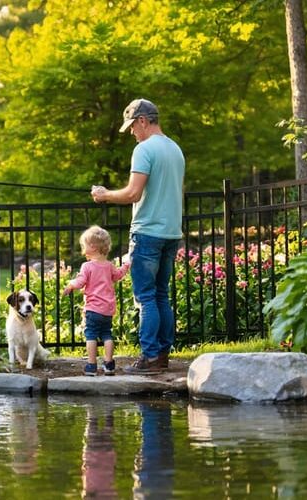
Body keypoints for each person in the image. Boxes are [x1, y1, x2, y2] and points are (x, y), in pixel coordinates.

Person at [91, 98, 184, 374]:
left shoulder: (145, 149)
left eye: (132, 126)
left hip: (147, 232)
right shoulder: (175, 149)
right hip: (171, 233)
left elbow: (133, 193)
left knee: (145, 298)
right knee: (161, 295)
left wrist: (105, 195)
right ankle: (163, 356)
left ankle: (149, 358)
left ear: (143, 120)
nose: (132, 132)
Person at [63, 225, 129, 376]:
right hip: (107, 309)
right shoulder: (109, 266)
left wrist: (70, 285)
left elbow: (80, 281)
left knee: (91, 335)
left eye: (84, 246)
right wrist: (126, 264)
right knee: (107, 334)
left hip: (93, 309)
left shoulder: (87, 266)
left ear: (92, 247)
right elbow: (118, 275)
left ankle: (92, 366)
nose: (83, 249)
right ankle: (109, 364)